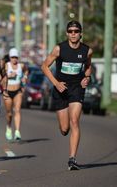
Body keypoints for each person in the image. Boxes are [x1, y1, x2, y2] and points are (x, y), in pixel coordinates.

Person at [41, 20, 92, 170]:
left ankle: (72, 159)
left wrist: (87, 77)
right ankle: (64, 129)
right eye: (70, 31)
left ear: (81, 33)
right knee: (64, 129)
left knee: (74, 121)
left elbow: (88, 66)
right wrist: (56, 83)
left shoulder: (87, 51)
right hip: (60, 89)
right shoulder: (59, 49)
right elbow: (44, 66)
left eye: (76, 31)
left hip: (76, 88)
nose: (73, 34)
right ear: (67, 34)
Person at [2, 48, 28, 142]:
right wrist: (8, 76)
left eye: (16, 57)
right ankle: (8, 127)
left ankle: (17, 131)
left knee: (17, 110)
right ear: (10, 57)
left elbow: (26, 71)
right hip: (8, 92)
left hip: (18, 91)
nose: (14, 59)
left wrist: (24, 78)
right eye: (12, 57)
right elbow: (1, 77)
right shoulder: (6, 66)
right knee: (9, 113)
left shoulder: (21, 66)